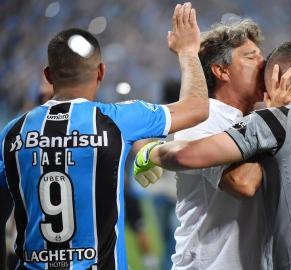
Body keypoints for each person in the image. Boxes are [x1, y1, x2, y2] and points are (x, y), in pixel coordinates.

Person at [134, 41, 291, 269]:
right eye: (251, 56)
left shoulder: (278, 121)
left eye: (262, 59)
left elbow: (192, 159)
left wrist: (152, 152)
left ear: (276, 78)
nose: (260, 63)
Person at [0, 2, 209, 269]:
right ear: (100, 72)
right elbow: (197, 108)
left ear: (49, 76)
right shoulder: (118, 119)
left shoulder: (12, 133)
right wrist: (188, 52)